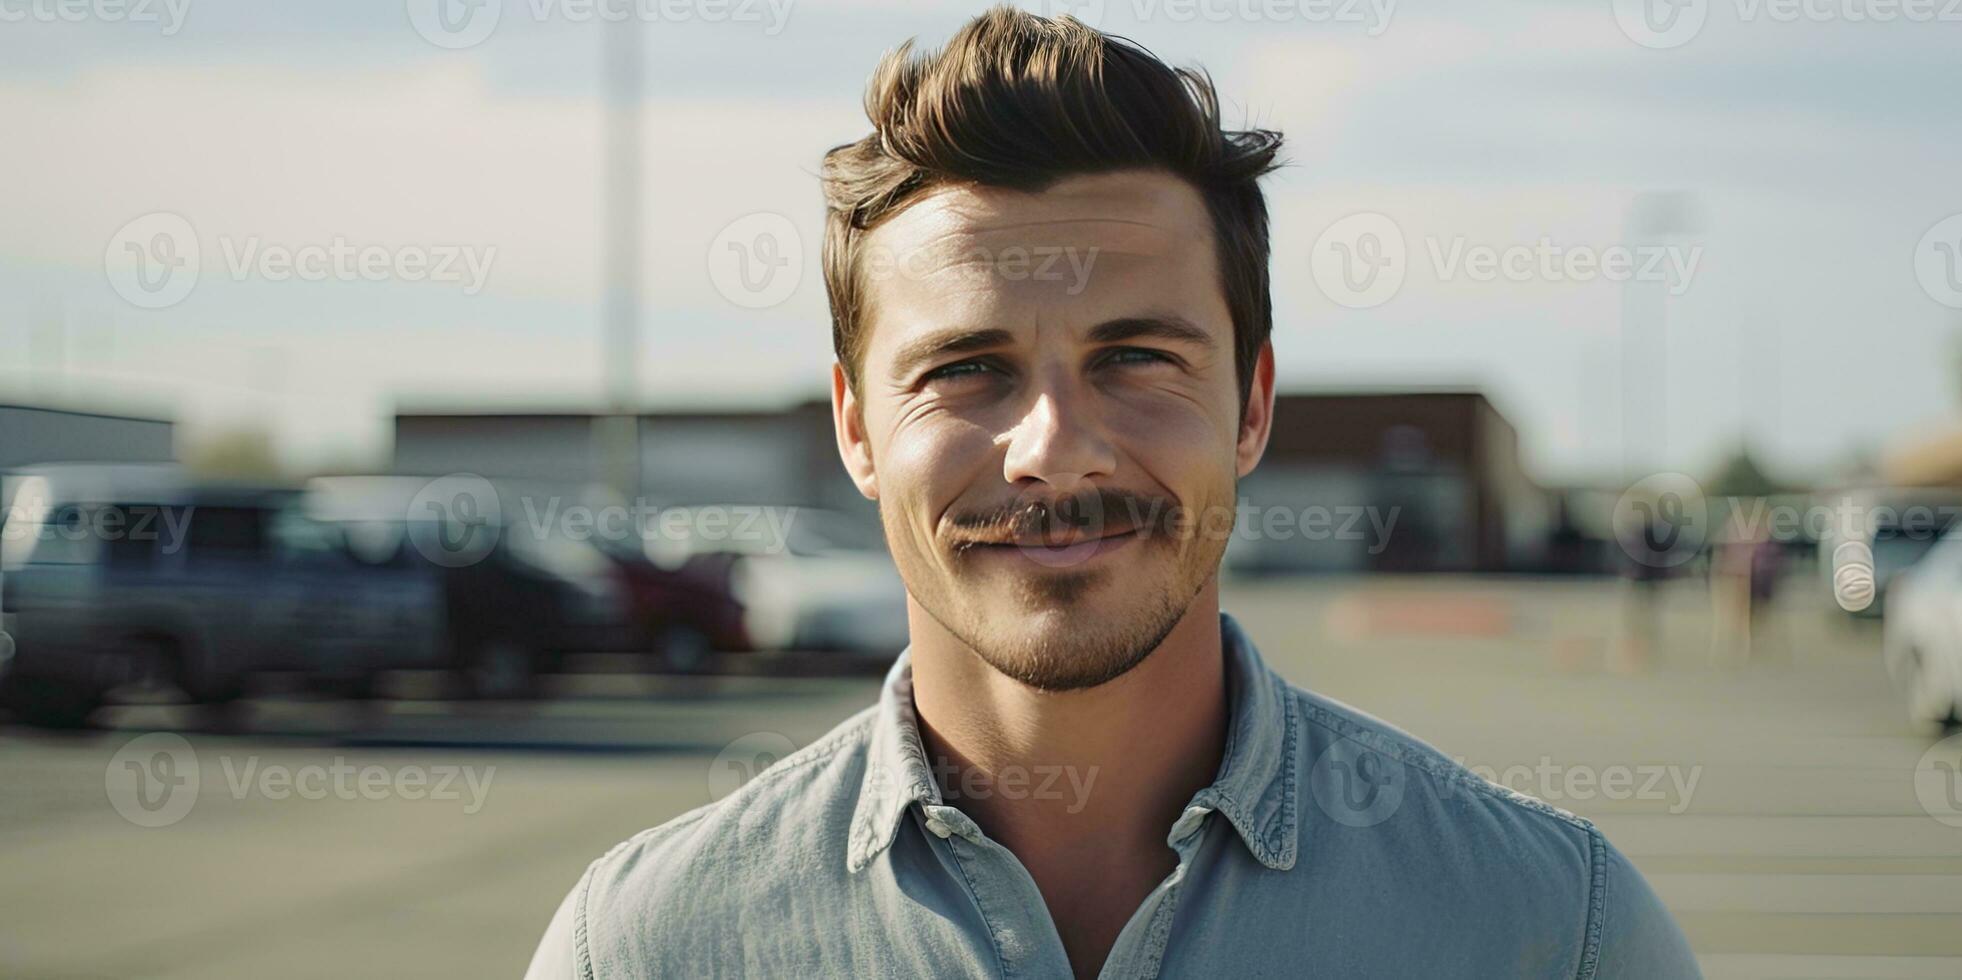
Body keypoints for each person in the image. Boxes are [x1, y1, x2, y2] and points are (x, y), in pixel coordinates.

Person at [525, 8, 1698, 978]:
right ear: (855, 425)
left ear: (1250, 405)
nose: (1054, 449)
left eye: (1135, 357)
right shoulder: (640, 949)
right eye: (966, 368)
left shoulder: (1553, 933)